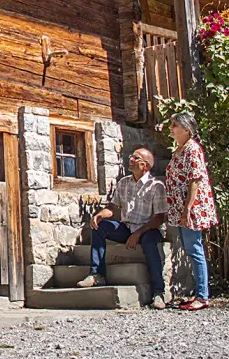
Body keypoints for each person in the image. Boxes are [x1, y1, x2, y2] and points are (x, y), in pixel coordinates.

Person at [77, 147, 168, 309]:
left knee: (149, 243)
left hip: (148, 230)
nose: (131, 159)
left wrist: (138, 234)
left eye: (136, 158)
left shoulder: (156, 186)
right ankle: (97, 274)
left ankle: (158, 293)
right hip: (127, 228)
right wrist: (100, 215)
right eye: (131, 156)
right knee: (100, 227)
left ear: (145, 166)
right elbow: (113, 207)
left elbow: (159, 218)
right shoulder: (124, 183)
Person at [165, 111, 218, 311]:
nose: (171, 129)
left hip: (191, 208)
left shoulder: (192, 150)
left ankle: (203, 296)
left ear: (187, 129)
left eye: (175, 125)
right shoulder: (180, 149)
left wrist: (187, 209)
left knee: (194, 249)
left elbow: (194, 180)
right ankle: (198, 293)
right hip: (181, 207)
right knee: (190, 249)